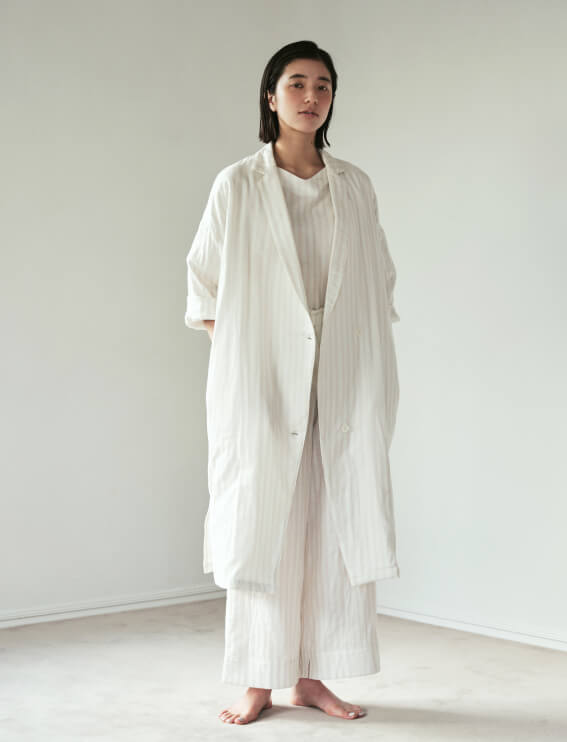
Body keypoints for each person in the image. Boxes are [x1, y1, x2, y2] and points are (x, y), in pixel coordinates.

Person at [185, 40, 401, 726]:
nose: (312, 97)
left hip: (341, 368)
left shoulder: (355, 186)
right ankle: (258, 679)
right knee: (265, 522)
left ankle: (309, 678)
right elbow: (204, 286)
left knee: (330, 518)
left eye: (324, 85)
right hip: (264, 375)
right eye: (298, 83)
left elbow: (379, 279)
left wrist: (348, 354)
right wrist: (248, 361)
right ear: (271, 96)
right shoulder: (238, 185)